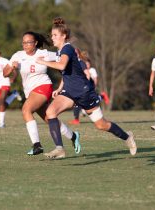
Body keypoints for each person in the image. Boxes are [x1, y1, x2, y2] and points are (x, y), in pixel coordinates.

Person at [36, 17, 137, 159]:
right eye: (51, 35)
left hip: (84, 92)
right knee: (51, 112)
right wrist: (59, 88)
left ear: (63, 36)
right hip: (70, 92)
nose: (52, 38)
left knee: (101, 125)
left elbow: (62, 66)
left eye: (55, 35)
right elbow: (67, 73)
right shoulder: (60, 52)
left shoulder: (68, 48)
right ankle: (59, 148)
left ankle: (127, 137)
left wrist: (43, 61)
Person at [3, 31, 81, 155]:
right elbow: (5, 73)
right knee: (49, 119)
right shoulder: (18, 55)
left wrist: (74, 59)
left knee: (26, 110)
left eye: (28, 42)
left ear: (35, 43)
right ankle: (73, 136)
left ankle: (36, 145)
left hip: (44, 86)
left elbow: (62, 59)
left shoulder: (43, 54)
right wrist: (12, 67)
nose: (25, 45)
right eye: (23, 42)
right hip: (30, 92)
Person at [0, 45, 21, 128]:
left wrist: (13, 78)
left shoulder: (5, 61)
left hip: (5, 82)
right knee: (1, 104)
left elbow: (14, 71)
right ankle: (14, 95)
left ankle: (1, 123)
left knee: (2, 100)